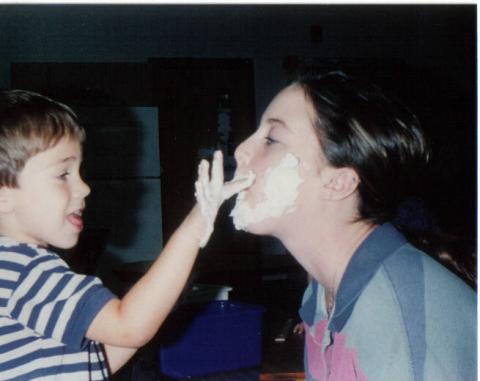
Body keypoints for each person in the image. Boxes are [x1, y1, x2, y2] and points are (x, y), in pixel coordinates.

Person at [230, 71, 476, 381]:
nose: (240, 149)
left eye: (272, 139)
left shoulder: (394, 317)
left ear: (339, 183)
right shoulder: (320, 292)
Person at [0, 89, 253, 380]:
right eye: (63, 174)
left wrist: (163, 297)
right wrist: (198, 220)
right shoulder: (26, 269)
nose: (84, 188)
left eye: (79, 172)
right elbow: (129, 327)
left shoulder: (12, 269)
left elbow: (95, 358)